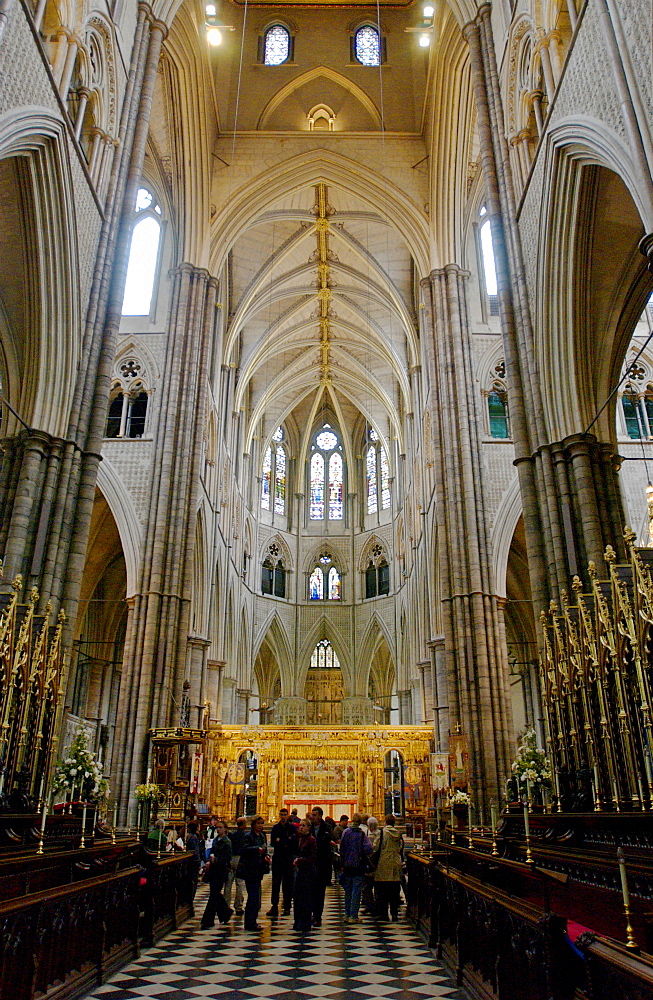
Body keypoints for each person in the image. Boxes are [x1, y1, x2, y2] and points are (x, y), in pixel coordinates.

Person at [236, 815, 269, 930]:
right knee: (253, 897)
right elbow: (244, 849)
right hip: (250, 869)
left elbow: (264, 849)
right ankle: (249, 923)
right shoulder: (248, 836)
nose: (260, 826)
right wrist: (256, 849)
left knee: (256, 897)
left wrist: (266, 856)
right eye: (258, 823)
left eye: (262, 823)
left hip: (258, 869)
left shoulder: (261, 836)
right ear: (253, 824)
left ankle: (252, 921)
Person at [339, 812, 372, 924]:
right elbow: (368, 849)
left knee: (348, 891)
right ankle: (353, 915)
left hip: (347, 865)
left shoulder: (345, 832)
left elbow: (341, 848)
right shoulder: (362, 834)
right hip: (358, 865)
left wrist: (342, 862)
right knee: (356, 891)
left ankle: (347, 914)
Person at [201, 820, 234, 928]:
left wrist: (216, 860)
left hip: (221, 870)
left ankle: (207, 920)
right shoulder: (216, 840)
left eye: (220, 827)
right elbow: (212, 852)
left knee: (214, 895)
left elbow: (227, 858)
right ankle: (225, 912)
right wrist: (209, 860)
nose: (218, 829)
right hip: (214, 870)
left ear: (225, 829)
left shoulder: (227, 841)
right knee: (215, 894)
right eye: (217, 828)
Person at [267, 807, 297, 917]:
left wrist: (282, 840)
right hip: (278, 859)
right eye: (281, 815)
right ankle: (274, 906)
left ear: (287, 815)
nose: (283, 817)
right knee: (275, 884)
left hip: (288, 859)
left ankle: (287, 907)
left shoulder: (292, 828)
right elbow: (274, 843)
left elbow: (293, 842)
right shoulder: (275, 828)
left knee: (288, 885)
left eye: (285, 815)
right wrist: (286, 840)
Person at [373, 814, 404, 921]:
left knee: (382, 890)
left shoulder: (382, 833)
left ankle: (383, 913)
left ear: (385, 822)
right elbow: (401, 847)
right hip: (395, 863)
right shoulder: (398, 833)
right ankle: (394, 913)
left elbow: (375, 847)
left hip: (383, 863)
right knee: (394, 890)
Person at [310, 806, 334, 926]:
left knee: (319, 893)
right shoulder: (308, 828)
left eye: (314, 815)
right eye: (311, 815)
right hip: (309, 865)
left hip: (321, 865)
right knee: (309, 892)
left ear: (320, 816)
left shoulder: (326, 828)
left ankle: (317, 916)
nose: (312, 817)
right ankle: (309, 914)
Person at [292, 817, 317, 932]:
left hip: (307, 872)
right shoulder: (299, 838)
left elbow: (313, 857)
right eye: (300, 825)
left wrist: (300, 860)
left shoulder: (311, 840)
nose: (300, 827)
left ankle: (305, 922)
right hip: (300, 871)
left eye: (303, 825)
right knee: (297, 897)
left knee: (305, 898)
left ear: (309, 828)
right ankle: (298, 921)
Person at [226, 816, 247, 914]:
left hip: (231, 858)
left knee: (228, 884)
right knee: (239, 883)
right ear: (244, 825)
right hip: (240, 859)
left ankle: (226, 905)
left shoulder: (232, 835)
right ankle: (238, 906)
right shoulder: (245, 835)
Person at [361, 817, 378, 913]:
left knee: (367, 886)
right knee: (374, 885)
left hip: (370, 862)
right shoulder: (380, 834)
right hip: (376, 862)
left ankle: (370, 905)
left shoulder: (367, 834)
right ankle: (376, 904)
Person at [185, 821, 203, 897]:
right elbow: (195, 851)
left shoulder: (190, 836)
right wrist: (198, 862)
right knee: (193, 882)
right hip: (193, 863)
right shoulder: (194, 837)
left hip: (191, 862)